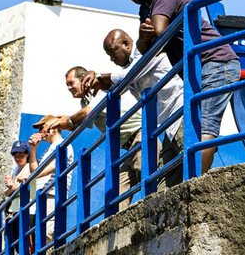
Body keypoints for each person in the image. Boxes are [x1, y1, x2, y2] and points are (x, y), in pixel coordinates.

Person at [123, 0, 240, 174]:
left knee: (205, 126)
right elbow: (148, 51)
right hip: (195, 70)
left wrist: (148, 37)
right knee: (194, 129)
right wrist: (141, 38)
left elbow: (159, 31)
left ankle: (195, 186)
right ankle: (187, 183)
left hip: (216, 62)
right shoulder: (145, 8)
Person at [79, 29, 185, 192]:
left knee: (192, 160)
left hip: (181, 114)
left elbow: (128, 75)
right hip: (168, 127)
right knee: (164, 185)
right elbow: (119, 84)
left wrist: (98, 75)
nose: (112, 59)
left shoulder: (144, 52)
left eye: (113, 52)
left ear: (126, 44)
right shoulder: (129, 68)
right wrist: (99, 81)